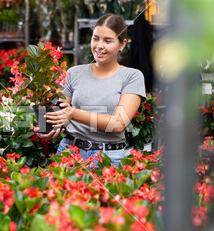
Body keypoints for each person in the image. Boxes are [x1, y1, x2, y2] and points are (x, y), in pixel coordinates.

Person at [38, 13, 146, 166]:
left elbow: (117, 124)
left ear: (122, 44)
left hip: (108, 158)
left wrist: (74, 113)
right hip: (69, 153)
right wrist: (47, 127)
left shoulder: (132, 77)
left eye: (108, 41)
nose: (99, 45)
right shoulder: (74, 72)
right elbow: (60, 111)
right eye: (95, 38)